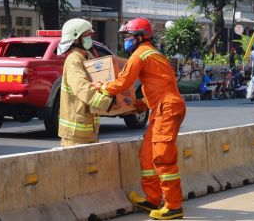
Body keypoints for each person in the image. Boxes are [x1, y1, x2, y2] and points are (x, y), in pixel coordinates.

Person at [93, 18, 186, 220]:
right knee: (147, 154)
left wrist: (102, 87)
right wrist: (143, 102)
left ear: (139, 37)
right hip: (161, 107)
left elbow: (122, 82)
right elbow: (158, 82)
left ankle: (173, 206)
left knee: (163, 156)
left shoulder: (140, 55)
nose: (125, 40)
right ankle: (152, 199)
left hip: (166, 108)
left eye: (127, 36)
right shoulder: (151, 53)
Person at [57, 18, 115, 147]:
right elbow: (83, 89)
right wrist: (108, 103)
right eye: (86, 35)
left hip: (89, 130)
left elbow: (101, 82)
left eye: (90, 34)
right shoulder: (73, 60)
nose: (90, 38)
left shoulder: (88, 57)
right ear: (76, 39)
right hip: (75, 133)